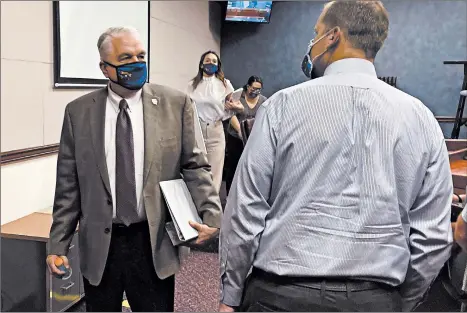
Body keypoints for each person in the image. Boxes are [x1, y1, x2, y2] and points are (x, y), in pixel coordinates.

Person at [219, 1, 453, 312]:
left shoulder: (281, 106)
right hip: (376, 299)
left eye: (315, 33)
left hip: (279, 297)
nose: (311, 42)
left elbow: (245, 211)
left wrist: (231, 294)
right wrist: (397, 301)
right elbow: (433, 238)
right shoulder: (422, 119)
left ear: (332, 36)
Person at [46, 26, 222, 312]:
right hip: (101, 243)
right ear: (105, 68)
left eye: (141, 55)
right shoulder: (78, 113)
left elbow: (195, 166)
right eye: (126, 57)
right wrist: (58, 244)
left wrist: (212, 214)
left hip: (152, 240)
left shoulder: (175, 104)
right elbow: (68, 185)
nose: (137, 63)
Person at [187, 51, 243, 194]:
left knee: (214, 174)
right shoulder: (192, 85)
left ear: (218, 65)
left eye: (214, 61)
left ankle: (212, 210)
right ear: (201, 64)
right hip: (196, 130)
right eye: (207, 60)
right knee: (197, 171)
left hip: (215, 130)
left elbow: (236, 106)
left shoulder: (224, 84)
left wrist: (236, 108)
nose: (210, 63)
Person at [225, 76, 267, 194]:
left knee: (250, 168)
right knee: (233, 166)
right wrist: (240, 130)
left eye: (259, 89)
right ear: (248, 86)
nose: (256, 91)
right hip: (236, 137)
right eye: (253, 88)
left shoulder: (263, 100)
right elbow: (230, 115)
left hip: (253, 138)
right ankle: (229, 194)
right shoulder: (239, 97)